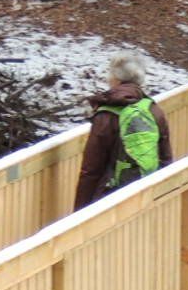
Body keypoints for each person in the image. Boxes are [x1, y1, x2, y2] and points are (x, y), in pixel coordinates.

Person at [71, 52, 174, 211]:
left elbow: (91, 170)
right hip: (147, 196)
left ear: (116, 79)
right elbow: (165, 159)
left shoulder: (106, 115)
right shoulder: (153, 110)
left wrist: (79, 212)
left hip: (110, 199)